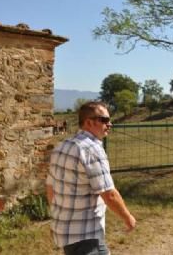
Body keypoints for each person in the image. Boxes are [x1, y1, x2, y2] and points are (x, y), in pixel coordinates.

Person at [46, 101, 136, 255]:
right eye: (104, 120)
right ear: (88, 122)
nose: (110, 124)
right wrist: (128, 217)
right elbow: (109, 194)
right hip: (85, 235)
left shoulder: (61, 146)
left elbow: (50, 187)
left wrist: (57, 214)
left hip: (68, 233)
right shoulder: (92, 150)